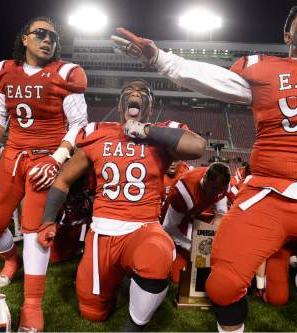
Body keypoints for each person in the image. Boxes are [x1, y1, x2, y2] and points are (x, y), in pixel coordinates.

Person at [112, 1, 297, 331]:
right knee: (222, 286)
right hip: (267, 196)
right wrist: (159, 58)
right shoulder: (265, 70)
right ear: (288, 35)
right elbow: (214, 79)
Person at [38, 79, 206, 331]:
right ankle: (124, 280)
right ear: (120, 104)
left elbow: (198, 146)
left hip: (142, 228)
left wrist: (146, 131)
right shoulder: (96, 132)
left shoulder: (161, 133)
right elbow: (63, 178)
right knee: (92, 312)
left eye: (142, 93)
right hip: (102, 232)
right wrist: (48, 220)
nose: (135, 95)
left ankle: (135, 323)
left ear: (150, 107)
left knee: (157, 254)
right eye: (129, 92)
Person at [0, 16, 88, 331]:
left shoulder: (65, 73)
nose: (48, 39)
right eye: (40, 33)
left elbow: (79, 124)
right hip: (11, 157)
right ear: (24, 38)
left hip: (46, 160)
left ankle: (32, 305)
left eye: (53, 35)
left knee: (38, 232)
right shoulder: (5, 72)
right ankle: (11, 260)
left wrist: (57, 158)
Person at [162, 163, 231, 284]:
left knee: (204, 267)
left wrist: (219, 217)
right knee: (178, 277)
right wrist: (191, 247)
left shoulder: (223, 185)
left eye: (221, 190)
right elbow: (168, 227)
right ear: (204, 179)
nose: (217, 194)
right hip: (181, 220)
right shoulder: (183, 192)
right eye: (214, 189)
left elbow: (221, 199)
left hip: (200, 215)